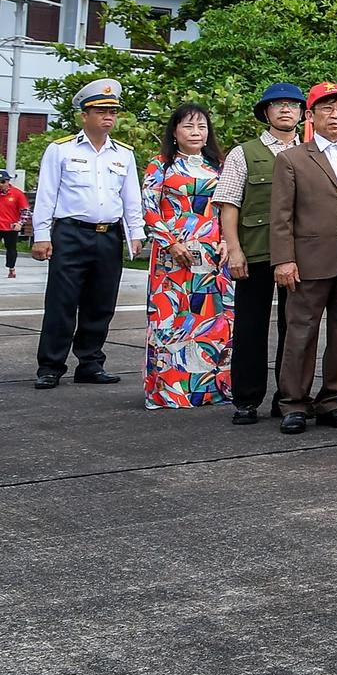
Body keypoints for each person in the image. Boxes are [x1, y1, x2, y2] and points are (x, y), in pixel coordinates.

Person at [270, 82, 337, 433]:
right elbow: (281, 215)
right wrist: (283, 259)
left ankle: (333, 400)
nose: (335, 115)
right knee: (301, 333)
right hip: (308, 260)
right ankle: (294, 404)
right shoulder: (292, 158)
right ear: (310, 116)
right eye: (327, 108)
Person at [32, 79, 143, 389]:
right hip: (70, 233)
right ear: (84, 114)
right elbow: (46, 194)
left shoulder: (123, 153)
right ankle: (51, 366)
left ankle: (90, 363)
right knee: (62, 302)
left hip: (108, 235)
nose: (108, 117)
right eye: (101, 111)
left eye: (113, 112)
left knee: (101, 303)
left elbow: (131, 198)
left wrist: (136, 233)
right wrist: (42, 234)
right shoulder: (61, 149)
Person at [215, 83, 307, 424]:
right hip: (255, 251)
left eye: (293, 105)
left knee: (295, 327)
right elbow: (228, 204)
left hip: (299, 253)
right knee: (251, 327)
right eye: (278, 105)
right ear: (265, 112)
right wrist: (234, 249)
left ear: (302, 113)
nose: (286, 110)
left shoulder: (311, 151)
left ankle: (287, 399)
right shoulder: (244, 153)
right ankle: (247, 399)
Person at [141, 102, 232, 408]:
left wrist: (226, 240)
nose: (195, 132)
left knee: (212, 323)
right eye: (188, 126)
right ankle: (169, 391)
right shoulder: (160, 165)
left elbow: (228, 208)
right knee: (172, 319)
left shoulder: (219, 165)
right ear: (175, 132)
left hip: (212, 258)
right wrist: (170, 243)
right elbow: (150, 209)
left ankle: (209, 390)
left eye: (201, 126)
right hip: (173, 258)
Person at [1, 170, 29, 277]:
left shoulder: (17, 194)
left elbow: (25, 211)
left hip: (10, 227)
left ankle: (11, 268)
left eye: (3, 182)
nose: (1, 184)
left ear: (8, 181)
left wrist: (20, 223)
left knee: (11, 249)